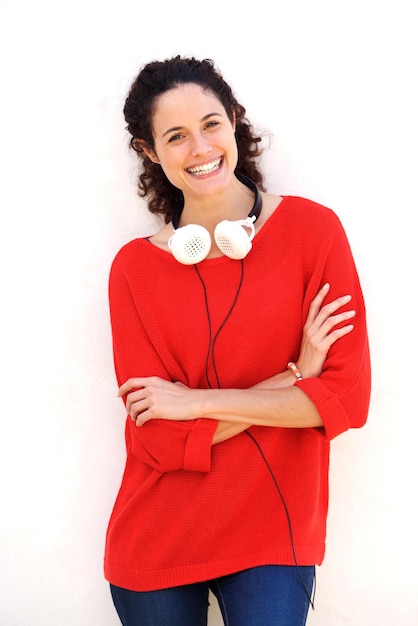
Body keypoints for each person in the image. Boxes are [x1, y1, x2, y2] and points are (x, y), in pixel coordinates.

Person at [104, 56, 371, 626]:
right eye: (175, 136)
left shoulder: (312, 233)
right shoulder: (132, 270)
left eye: (211, 124)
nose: (200, 147)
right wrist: (295, 379)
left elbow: (346, 400)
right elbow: (160, 443)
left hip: (273, 530)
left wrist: (194, 401)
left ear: (234, 124)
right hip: (156, 536)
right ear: (151, 152)